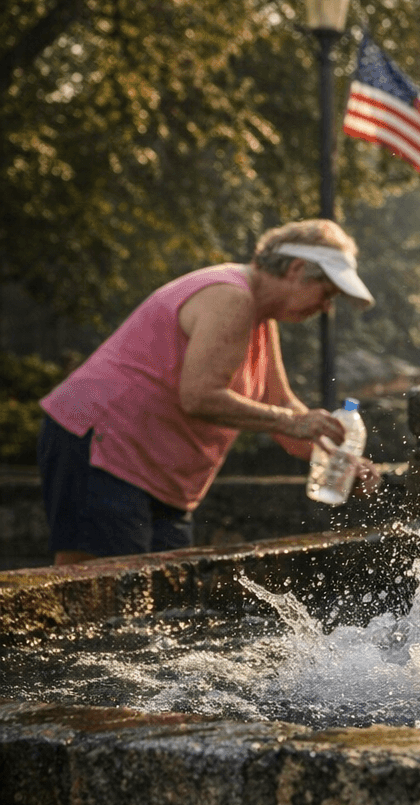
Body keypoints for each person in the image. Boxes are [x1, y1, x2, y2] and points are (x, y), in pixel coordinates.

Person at [37, 219, 380, 566]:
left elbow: (282, 406)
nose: (326, 308)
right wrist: (291, 422)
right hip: (102, 445)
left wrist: (342, 462)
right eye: (327, 293)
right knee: (99, 596)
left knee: (162, 603)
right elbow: (200, 396)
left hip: (158, 473)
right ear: (296, 269)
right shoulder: (230, 297)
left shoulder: (260, 318)